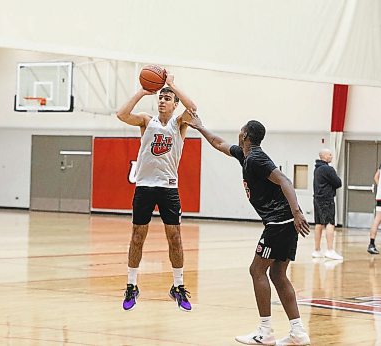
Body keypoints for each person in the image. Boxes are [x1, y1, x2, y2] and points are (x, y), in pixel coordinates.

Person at [185, 114, 310, 345]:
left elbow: (285, 181)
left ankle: (265, 331)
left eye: (240, 130)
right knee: (277, 274)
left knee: (257, 270)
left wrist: (296, 212)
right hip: (282, 223)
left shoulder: (257, 159)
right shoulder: (245, 154)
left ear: (244, 135)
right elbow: (219, 143)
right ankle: (298, 333)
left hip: (279, 222)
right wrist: (201, 127)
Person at [116, 73, 197, 311]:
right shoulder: (146, 121)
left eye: (167, 98)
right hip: (144, 187)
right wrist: (142, 91)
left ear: (174, 104)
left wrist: (172, 84)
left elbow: (192, 108)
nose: (162, 101)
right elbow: (121, 114)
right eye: (160, 97)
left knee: (175, 238)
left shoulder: (179, 122)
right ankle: (131, 285)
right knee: (137, 237)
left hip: (169, 188)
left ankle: (178, 286)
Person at [312, 149, 343, 260]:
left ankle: (316, 250)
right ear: (324, 156)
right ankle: (330, 250)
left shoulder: (317, 169)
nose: (331, 156)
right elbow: (338, 182)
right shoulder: (327, 169)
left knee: (319, 223)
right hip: (326, 199)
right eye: (330, 154)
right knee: (330, 223)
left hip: (317, 199)